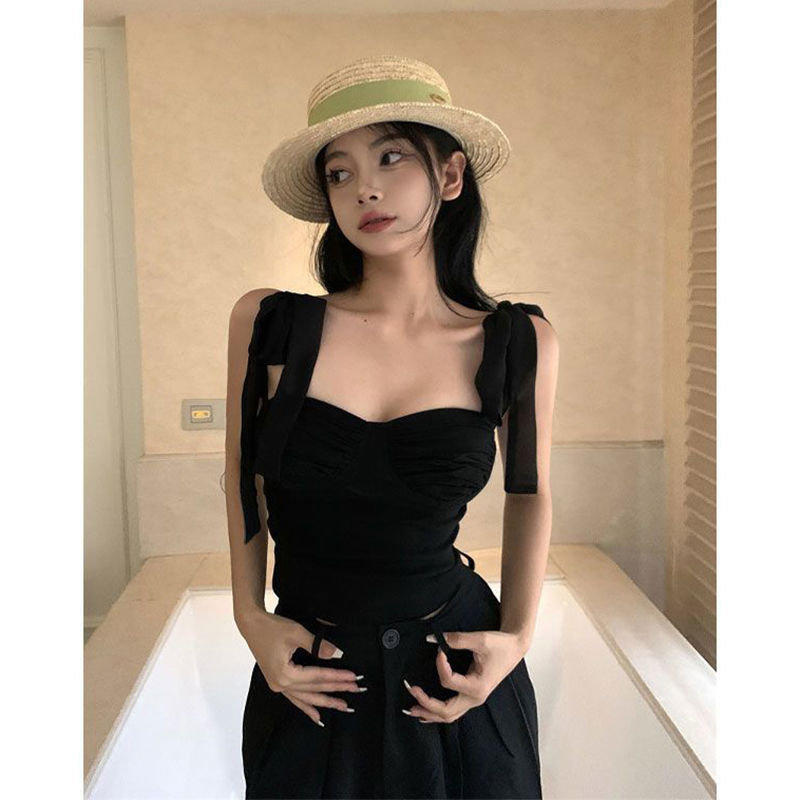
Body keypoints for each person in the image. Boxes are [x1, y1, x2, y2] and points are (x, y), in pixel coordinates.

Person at [225, 54, 559, 799]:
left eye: (392, 157)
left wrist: (517, 636)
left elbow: (530, 492)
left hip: (453, 678)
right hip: (311, 677)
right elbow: (243, 477)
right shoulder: (269, 323)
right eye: (338, 173)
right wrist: (249, 617)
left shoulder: (518, 340)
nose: (364, 188)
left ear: (451, 175)